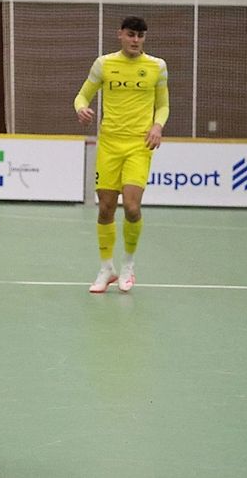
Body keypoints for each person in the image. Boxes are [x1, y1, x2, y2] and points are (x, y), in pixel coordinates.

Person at [73, 15, 169, 293]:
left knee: (131, 206)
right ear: (120, 35)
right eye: (131, 35)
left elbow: (163, 106)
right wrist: (81, 109)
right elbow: (81, 96)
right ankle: (107, 268)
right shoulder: (104, 64)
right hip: (109, 144)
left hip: (139, 145)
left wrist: (158, 126)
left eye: (140, 36)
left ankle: (128, 264)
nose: (135, 40)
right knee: (105, 208)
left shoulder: (157, 67)